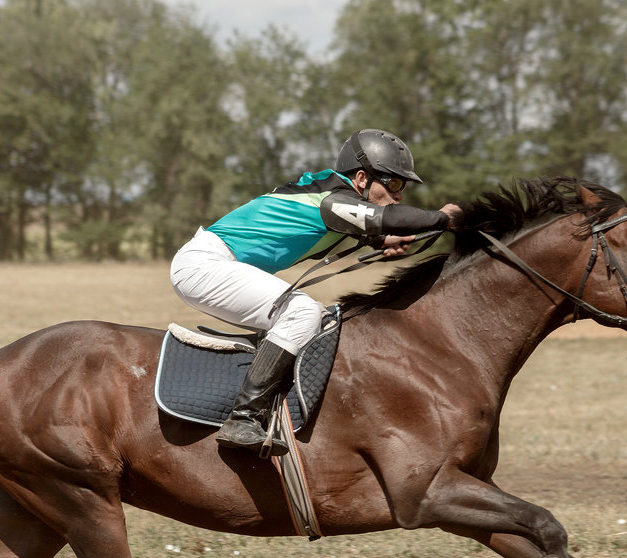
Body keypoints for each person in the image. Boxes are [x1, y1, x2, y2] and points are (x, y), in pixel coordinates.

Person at [170, 129, 460, 455]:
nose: (399, 195)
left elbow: (372, 226)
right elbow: (386, 217)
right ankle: (243, 418)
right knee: (302, 312)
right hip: (203, 265)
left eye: (401, 186)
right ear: (362, 178)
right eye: (393, 183)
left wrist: (385, 241)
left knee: (314, 316)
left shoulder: (334, 198)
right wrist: (441, 217)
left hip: (210, 264)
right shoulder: (331, 200)